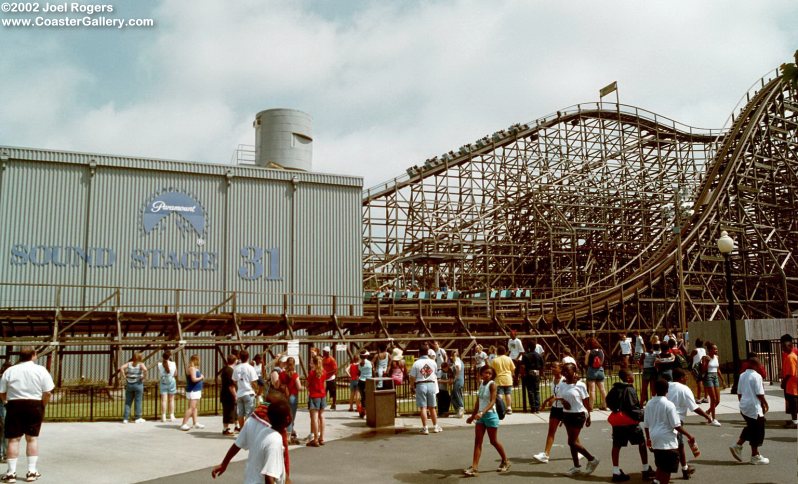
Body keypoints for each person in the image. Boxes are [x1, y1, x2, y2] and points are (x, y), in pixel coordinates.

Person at [0, 347, 54, 483]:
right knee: (32, 439)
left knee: (13, 439)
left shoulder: (10, 370)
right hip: (34, 404)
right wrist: (42, 404)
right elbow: (47, 392)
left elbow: (2, 392)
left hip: (14, 405)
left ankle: (11, 473)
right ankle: (31, 471)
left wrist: (6, 402)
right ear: (34, 355)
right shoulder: (41, 370)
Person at [212, 398, 291, 484]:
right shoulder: (275, 439)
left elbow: (237, 444)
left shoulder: (263, 430)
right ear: (287, 418)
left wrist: (224, 464)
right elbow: (269, 477)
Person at [643, 379, 696, 484]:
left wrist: (648, 438)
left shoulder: (649, 403)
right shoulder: (669, 405)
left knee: (661, 466)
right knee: (667, 470)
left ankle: (656, 481)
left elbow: (646, 425)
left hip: (655, 439)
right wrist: (689, 435)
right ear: (667, 390)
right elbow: (676, 426)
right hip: (667, 440)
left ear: (654, 389)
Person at [605, 369, 653, 482]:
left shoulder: (614, 389)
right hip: (630, 423)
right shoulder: (629, 389)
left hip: (618, 423)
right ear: (628, 378)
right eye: (632, 375)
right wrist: (642, 415)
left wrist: (615, 410)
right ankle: (646, 469)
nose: (633, 377)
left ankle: (616, 471)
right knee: (641, 443)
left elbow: (608, 400)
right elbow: (633, 407)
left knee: (616, 446)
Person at [463, 366, 510, 476]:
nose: (487, 375)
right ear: (481, 374)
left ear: (492, 375)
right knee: (478, 442)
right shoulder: (481, 384)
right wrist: (472, 415)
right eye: (485, 373)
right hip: (480, 417)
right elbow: (478, 401)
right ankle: (474, 467)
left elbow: (492, 401)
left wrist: (482, 413)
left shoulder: (492, 384)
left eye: (489, 373)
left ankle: (505, 461)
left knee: (493, 441)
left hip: (490, 416)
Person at [667, 368, 714, 480]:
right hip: (676, 420)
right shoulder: (684, 389)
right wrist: (707, 416)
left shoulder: (667, 386)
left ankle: (681, 468)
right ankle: (679, 470)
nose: (687, 378)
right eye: (686, 376)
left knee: (673, 444)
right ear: (681, 377)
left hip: (663, 419)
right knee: (678, 445)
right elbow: (694, 407)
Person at [532, 361, 583, 463]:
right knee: (551, 431)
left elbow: (564, 395)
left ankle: (579, 451)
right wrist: (546, 401)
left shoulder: (565, 381)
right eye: (552, 367)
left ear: (560, 369)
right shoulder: (553, 380)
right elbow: (555, 394)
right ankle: (546, 454)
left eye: (554, 367)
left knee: (571, 434)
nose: (552, 368)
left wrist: (554, 399)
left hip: (564, 409)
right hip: (555, 409)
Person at [557, 362, 600, 476]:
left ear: (574, 371)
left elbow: (586, 401)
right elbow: (561, 397)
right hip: (567, 414)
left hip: (578, 414)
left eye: (567, 370)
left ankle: (592, 459)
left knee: (571, 441)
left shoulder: (580, 385)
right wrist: (563, 402)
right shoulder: (562, 384)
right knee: (572, 442)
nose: (565, 373)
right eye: (564, 370)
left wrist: (589, 416)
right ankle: (576, 466)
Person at [730, 357, 769, 465]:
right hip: (754, 407)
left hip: (744, 406)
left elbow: (739, 392)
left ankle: (738, 445)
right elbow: (759, 393)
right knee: (758, 429)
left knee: (752, 427)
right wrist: (765, 403)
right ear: (756, 365)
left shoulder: (742, 375)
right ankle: (755, 455)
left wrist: (742, 402)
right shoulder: (757, 376)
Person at [409, 348, 441, 434]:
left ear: (419, 353)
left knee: (423, 407)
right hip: (431, 384)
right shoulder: (433, 362)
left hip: (421, 384)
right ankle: (435, 426)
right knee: (432, 407)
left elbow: (412, 377)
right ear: (427, 353)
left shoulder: (416, 363)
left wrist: (412, 386)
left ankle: (425, 428)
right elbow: (436, 374)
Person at [233, 350, 260, 431]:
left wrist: (239, 384)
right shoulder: (250, 368)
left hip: (240, 393)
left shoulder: (236, 368)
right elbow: (254, 381)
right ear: (248, 357)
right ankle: (247, 431)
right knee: (249, 414)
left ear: (239, 357)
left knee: (240, 413)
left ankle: (242, 430)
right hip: (249, 392)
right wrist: (256, 390)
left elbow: (234, 380)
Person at [119, 351, 148, 424]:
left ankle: (125, 418)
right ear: (140, 358)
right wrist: (144, 377)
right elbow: (145, 370)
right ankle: (138, 417)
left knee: (128, 402)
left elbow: (121, 368)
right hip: (138, 384)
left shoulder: (129, 364)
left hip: (129, 384)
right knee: (138, 401)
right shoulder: (141, 364)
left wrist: (124, 376)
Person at [280, 357, 302, 445]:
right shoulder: (295, 375)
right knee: (291, 416)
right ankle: (288, 436)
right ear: (293, 364)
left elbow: (279, 385)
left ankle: (287, 431)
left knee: (285, 416)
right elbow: (299, 387)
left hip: (285, 396)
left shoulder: (282, 374)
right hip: (293, 396)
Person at [306, 355, 327, 447]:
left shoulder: (312, 373)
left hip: (314, 395)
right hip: (322, 395)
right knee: (322, 416)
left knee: (314, 417)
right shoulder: (324, 372)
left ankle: (315, 439)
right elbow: (324, 383)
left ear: (314, 363)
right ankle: (322, 437)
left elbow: (307, 384)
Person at [700, 343, 723, 426]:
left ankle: (708, 412)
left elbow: (718, 369)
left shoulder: (717, 357)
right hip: (708, 377)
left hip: (715, 376)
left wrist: (722, 380)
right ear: (709, 350)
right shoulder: (705, 358)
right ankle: (713, 419)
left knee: (718, 401)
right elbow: (703, 370)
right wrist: (707, 361)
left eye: (716, 349)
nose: (716, 350)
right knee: (713, 399)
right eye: (714, 349)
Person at [180, 354, 205, 431]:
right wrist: (201, 377)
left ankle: (195, 423)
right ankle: (184, 423)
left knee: (195, 408)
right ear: (196, 360)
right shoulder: (192, 368)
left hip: (196, 390)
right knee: (191, 408)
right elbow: (194, 379)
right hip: (193, 390)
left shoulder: (195, 368)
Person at [779, 333, 798, 429]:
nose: (782, 348)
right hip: (791, 383)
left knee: (793, 402)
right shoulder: (789, 355)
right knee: (792, 402)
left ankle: (795, 421)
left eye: (783, 345)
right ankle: (794, 420)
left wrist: (784, 382)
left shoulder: (791, 356)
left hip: (792, 383)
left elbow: (791, 372)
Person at [491, 346, 516, 415]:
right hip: (508, 378)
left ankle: (500, 408)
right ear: (505, 351)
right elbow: (513, 369)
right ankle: (509, 408)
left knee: (500, 394)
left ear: (498, 351)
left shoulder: (495, 360)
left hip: (499, 379)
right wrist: (513, 375)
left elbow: (492, 370)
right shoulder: (509, 358)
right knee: (508, 394)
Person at [584, 338, 608, 410]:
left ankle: (591, 406)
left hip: (592, 370)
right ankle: (605, 404)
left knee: (592, 390)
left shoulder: (589, 351)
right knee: (602, 389)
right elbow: (602, 361)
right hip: (600, 370)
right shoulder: (601, 351)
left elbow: (586, 362)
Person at [520, 348, 544, 413]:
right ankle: (537, 407)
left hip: (529, 373)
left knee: (530, 391)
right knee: (537, 391)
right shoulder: (539, 355)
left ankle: (533, 408)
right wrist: (541, 374)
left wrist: (522, 374)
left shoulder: (525, 356)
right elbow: (542, 365)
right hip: (537, 373)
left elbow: (522, 366)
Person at [220, 353, 238, 436]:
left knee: (232, 411)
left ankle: (234, 426)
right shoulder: (230, 371)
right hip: (228, 395)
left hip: (225, 394)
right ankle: (226, 429)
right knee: (228, 411)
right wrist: (235, 395)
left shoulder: (225, 369)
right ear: (234, 361)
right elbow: (231, 386)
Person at [158, 350, 177, 423]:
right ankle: (172, 415)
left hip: (163, 382)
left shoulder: (160, 364)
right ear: (170, 356)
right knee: (171, 400)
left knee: (164, 400)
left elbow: (161, 372)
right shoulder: (173, 363)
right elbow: (175, 374)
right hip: (171, 381)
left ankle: (163, 416)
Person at [689, 339, 708, 404]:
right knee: (705, 382)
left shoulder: (695, 350)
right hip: (703, 366)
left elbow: (690, 358)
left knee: (699, 382)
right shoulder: (704, 350)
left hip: (696, 367)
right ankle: (705, 397)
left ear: (696, 343)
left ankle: (699, 398)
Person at [357, 350, 373, 418]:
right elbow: (373, 371)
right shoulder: (370, 363)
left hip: (361, 380)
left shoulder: (360, 363)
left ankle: (363, 411)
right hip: (369, 380)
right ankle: (369, 410)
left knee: (363, 397)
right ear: (366, 356)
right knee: (369, 396)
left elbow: (359, 372)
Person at [450, 349, 465, 418]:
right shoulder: (456, 361)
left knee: (457, 394)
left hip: (458, 380)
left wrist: (455, 378)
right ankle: (458, 410)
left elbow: (458, 368)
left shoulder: (457, 360)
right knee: (453, 395)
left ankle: (461, 409)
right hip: (458, 380)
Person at [0, 361, 10, 464]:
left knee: (3, 431)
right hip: (3, 406)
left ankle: (4, 454)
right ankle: (4, 454)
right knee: (4, 431)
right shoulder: (4, 379)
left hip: (3, 406)